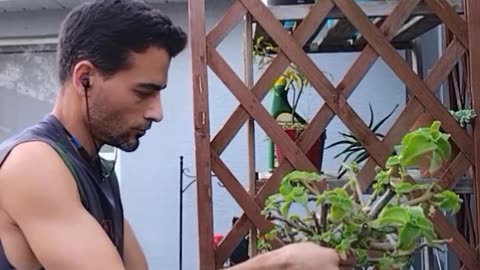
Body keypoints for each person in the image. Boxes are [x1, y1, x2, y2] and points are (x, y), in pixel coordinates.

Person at [0, 0, 340, 269]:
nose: (156, 112)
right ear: (85, 78)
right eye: (143, 92)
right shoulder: (34, 164)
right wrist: (279, 263)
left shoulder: (93, 167)